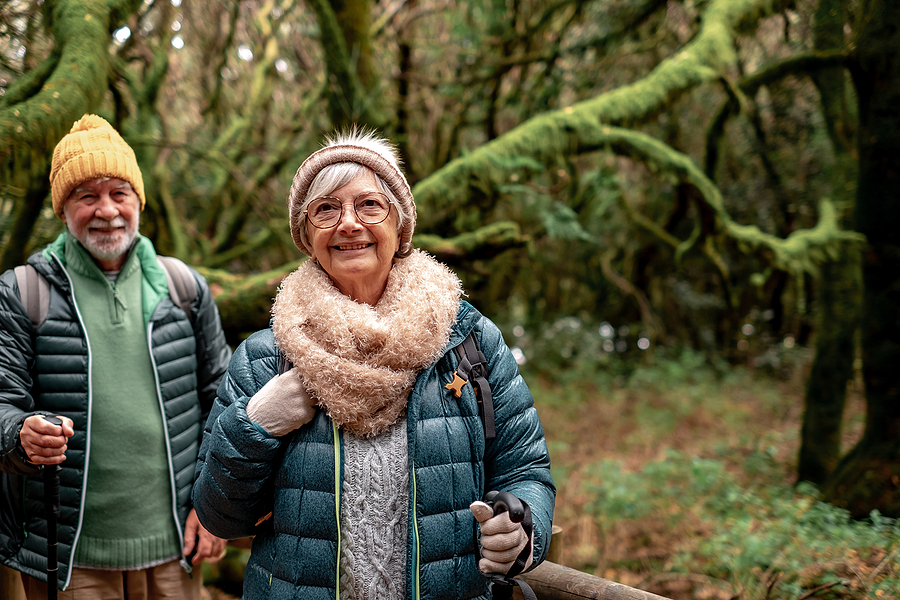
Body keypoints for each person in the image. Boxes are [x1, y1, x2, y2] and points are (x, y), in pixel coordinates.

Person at [192, 129, 556, 600]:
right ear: (306, 236)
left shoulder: (467, 341)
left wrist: (524, 529)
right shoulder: (268, 356)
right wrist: (254, 425)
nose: (348, 224)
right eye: (326, 209)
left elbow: (526, 470)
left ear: (400, 227)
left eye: (369, 205)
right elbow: (220, 516)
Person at [0, 114, 232, 600]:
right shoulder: (22, 292)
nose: (107, 210)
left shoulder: (183, 288)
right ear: (63, 208)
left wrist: (216, 510)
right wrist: (19, 435)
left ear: (139, 202)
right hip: (67, 560)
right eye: (87, 196)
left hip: (176, 551)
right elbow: (2, 404)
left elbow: (226, 407)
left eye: (119, 193)